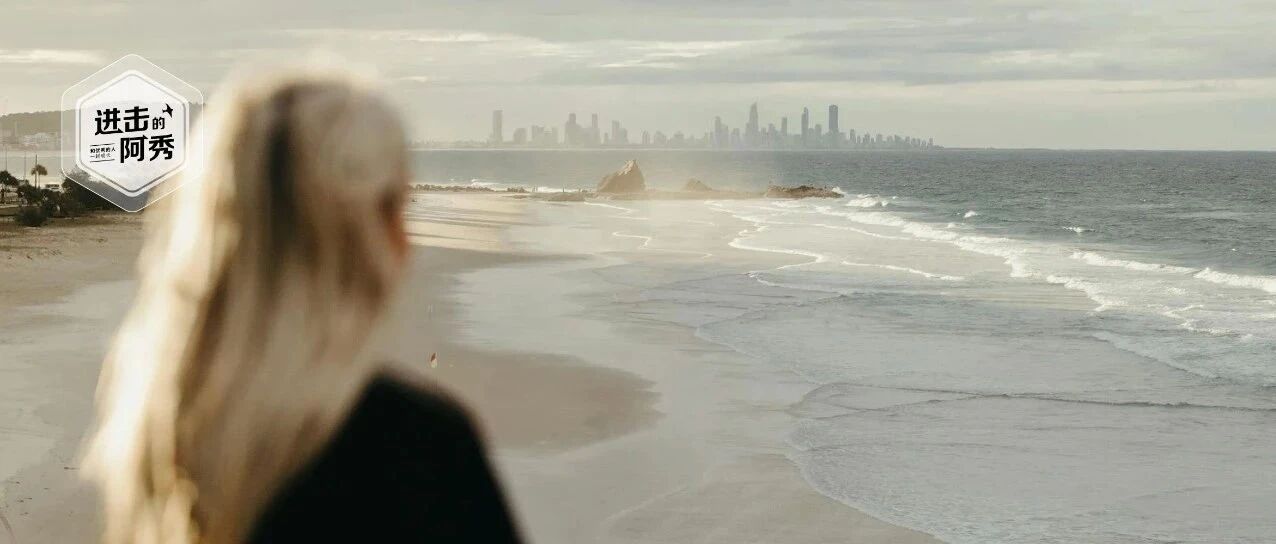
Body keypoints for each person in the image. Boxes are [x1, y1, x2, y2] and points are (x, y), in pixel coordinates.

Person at [83, 68, 523, 544]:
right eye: (396, 206)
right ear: (354, 233)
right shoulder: (414, 444)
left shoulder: (156, 416)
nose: (406, 241)